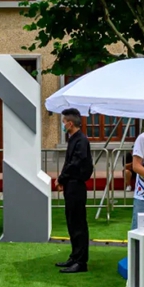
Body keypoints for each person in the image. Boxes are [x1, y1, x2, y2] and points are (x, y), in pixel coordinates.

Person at [55, 108, 94, 274]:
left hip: (76, 185)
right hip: (71, 185)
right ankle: (74, 255)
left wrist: (61, 178)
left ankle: (81, 261)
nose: (63, 125)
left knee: (78, 223)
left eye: (64, 122)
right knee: (71, 221)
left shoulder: (81, 140)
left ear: (70, 123)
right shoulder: (73, 139)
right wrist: (62, 178)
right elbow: (69, 162)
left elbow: (75, 163)